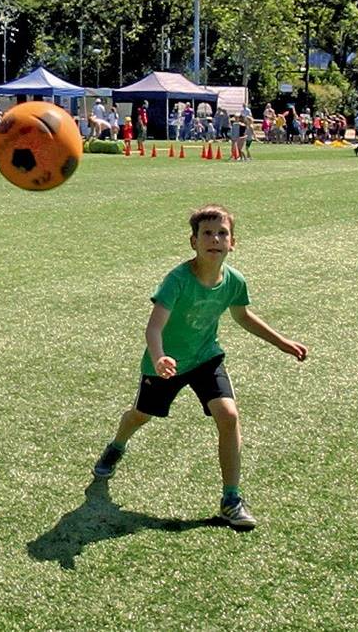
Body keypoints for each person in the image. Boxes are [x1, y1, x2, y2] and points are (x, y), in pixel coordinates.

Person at [89, 205, 309, 530]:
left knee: (229, 415)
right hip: (165, 365)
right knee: (141, 415)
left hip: (206, 358)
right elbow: (153, 328)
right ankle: (116, 446)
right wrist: (160, 356)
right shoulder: (177, 280)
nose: (215, 239)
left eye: (222, 233)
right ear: (193, 241)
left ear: (232, 243)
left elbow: (243, 316)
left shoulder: (234, 281)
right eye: (207, 233)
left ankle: (231, 499)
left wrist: (282, 343)